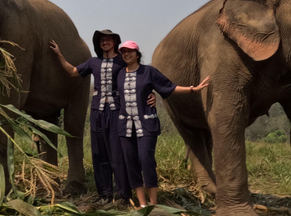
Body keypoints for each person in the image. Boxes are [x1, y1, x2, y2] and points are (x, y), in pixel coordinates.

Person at [50, 30, 155, 206]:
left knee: (118, 153)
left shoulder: (123, 61)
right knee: (99, 153)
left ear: (115, 42)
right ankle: (104, 194)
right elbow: (73, 72)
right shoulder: (93, 62)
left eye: (108, 39)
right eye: (102, 40)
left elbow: (139, 75)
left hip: (117, 111)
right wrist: (59, 54)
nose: (105, 42)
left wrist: (151, 92)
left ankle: (123, 195)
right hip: (97, 111)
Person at [117, 40, 210, 208]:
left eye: (130, 51)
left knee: (146, 160)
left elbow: (169, 87)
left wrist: (192, 89)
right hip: (126, 127)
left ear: (137, 54)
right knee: (131, 163)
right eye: (123, 51)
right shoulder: (120, 74)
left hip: (146, 125)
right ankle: (142, 205)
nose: (126, 54)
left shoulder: (149, 72)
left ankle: (154, 204)